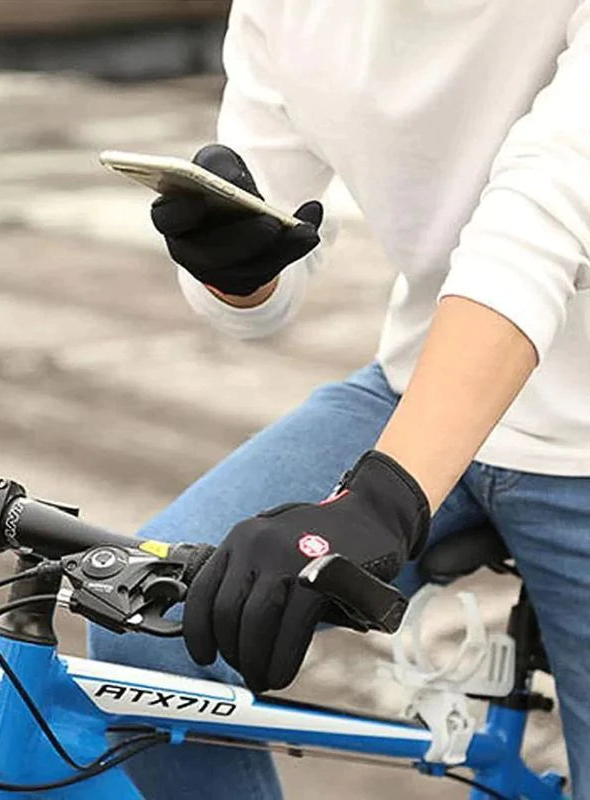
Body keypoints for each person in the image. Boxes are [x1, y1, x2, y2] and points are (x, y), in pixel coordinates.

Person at [90, 1, 590, 796]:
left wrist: (379, 501)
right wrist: (236, 269)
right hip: (419, 385)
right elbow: (261, 295)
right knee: (146, 632)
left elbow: (538, 232)